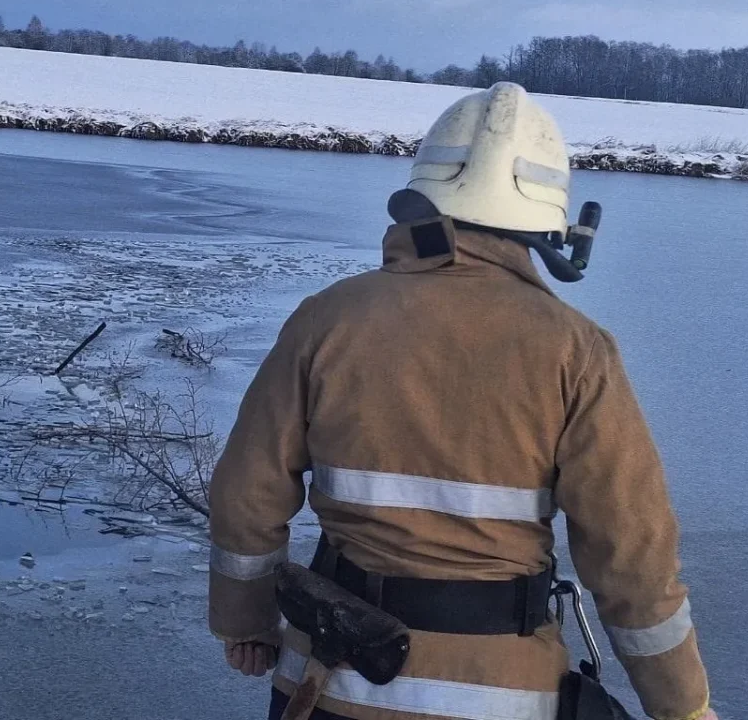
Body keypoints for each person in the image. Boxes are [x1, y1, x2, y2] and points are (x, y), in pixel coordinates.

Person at [207, 82, 715, 720]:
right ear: (548, 219)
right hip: (501, 696)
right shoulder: (577, 351)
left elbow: (245, 496)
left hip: (328, 684)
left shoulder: (328, 319)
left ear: (423, 198)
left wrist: (246, 622)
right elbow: (631, 558)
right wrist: (684, 706)